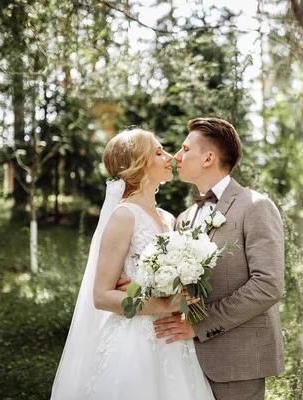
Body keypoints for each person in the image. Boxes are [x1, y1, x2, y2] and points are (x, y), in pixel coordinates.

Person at [119, 118, 285, 400]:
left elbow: (268, 286)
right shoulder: (183, 218)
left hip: (237, 360)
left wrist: (200, 324)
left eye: (185, 149)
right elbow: (179, 281)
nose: (177, 157)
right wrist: (139, 283)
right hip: (184, 362)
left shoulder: (255, 206)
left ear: (208, 158)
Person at [51, 128, 214, 400]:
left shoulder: (168, 217)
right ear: (139, 163)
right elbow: (102, 296)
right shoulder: (124, 216)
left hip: (174, 338)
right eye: (158, 152)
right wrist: (162, 304)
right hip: (135, 340)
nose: (170, 157)